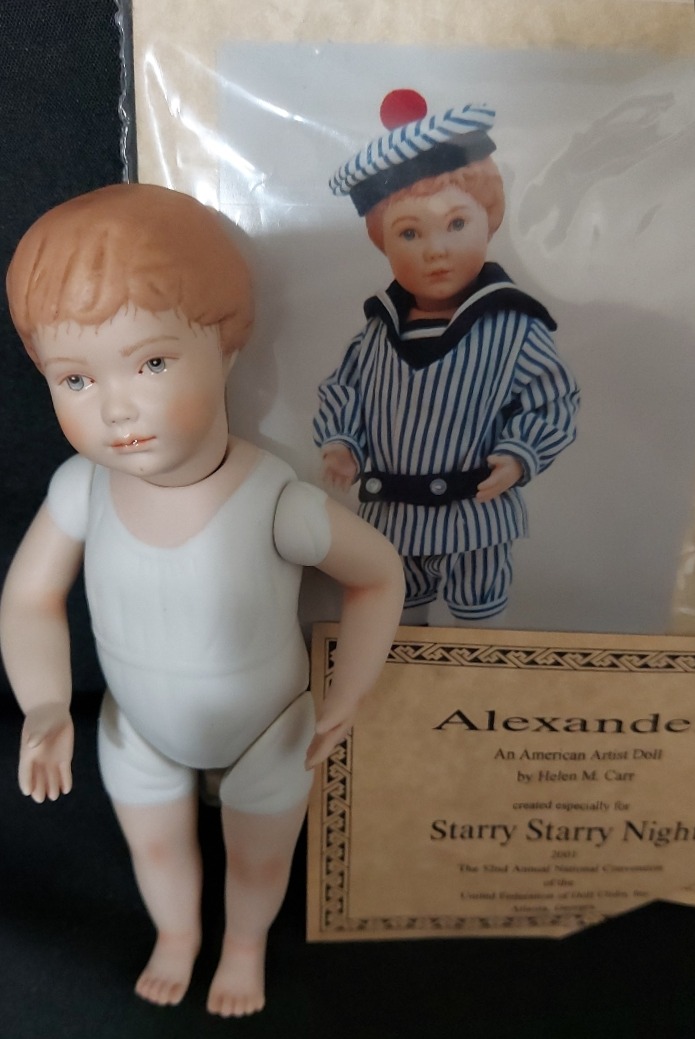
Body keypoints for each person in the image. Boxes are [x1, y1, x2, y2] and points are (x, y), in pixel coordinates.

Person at [0, 183, 404, 1017]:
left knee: (258, 858)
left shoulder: (272, 499)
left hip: (268, 729)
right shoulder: (80, 490)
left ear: (225, 345)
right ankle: (177, 933)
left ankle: (244, 943)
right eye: (74, 378)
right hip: (137, 725)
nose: (116, 408)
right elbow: (30, 596)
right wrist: (44, 702)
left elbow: (377, 573)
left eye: (151, 363)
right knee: (154, 847)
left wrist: (347, 694)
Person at [314, 92, 579, 622]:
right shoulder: (377, 332)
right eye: (409, 233)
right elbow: (345, 389)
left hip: (477, 514)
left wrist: (519, 454)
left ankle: (472, 670)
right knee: (396, 610)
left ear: (490, 220)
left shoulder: (514, 326)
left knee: (477, 620)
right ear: (383, 243)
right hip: (393, 513)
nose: (435, 250)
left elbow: (552, 400)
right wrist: (341, 443)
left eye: (457, 224)